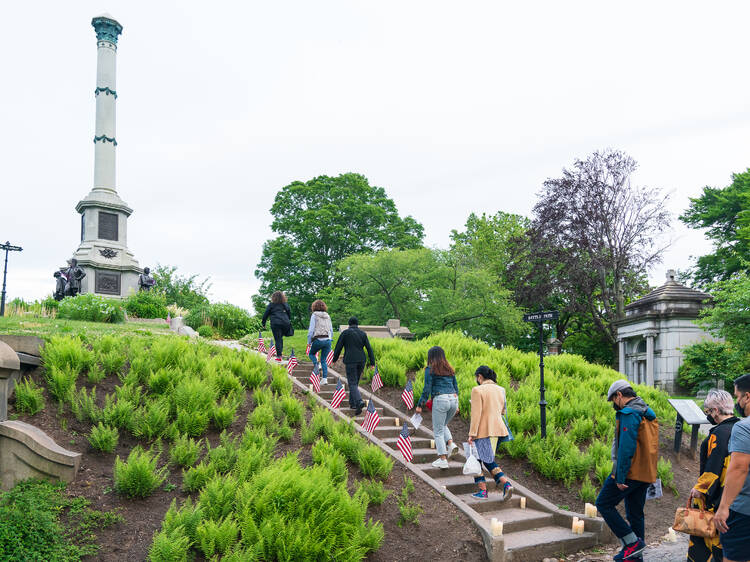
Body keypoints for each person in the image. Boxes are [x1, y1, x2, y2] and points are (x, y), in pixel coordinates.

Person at [595, 380, 658, 562]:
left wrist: (620, 475)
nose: (614, 405)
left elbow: (626, 447)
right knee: (635, 513)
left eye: (614, 401)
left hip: (630, 472)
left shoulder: (629, 413)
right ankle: (635, 557)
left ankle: (631, 544)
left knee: (604, 503)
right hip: (646, 471)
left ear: (619, 395)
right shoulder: (646, 411)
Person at [687, 389, 739, 562]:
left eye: (708, 411)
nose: (708, 415)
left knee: (705, 545)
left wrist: (700, 489)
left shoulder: (718, 434)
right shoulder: (740, 428)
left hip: (717, 500)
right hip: (737, 497)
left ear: (716, 411)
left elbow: (714, 467)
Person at [714, 374, 750, 562]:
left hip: (744, 511)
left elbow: (739, 468)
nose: (737, 402)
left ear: (747, 397)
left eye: (737, 396)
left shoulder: (744, 427)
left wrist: (724, 507)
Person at [467, 366, 513, 500]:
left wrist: (472, 434)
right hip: (499, 430)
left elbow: (476, 415)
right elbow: (503, 411)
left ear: (480, 376)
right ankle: (503, 485)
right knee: (487, 459)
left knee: (477, 458)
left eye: (477, 378)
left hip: (483, 430)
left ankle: (490, 489)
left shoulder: (477, 390)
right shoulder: (501, 390)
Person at [415, 346, 459, 469]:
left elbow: (427, 388)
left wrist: (419, 405)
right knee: (443, 425)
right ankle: (450, 444)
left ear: (431, 357)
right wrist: (458, 404)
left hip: (441, 399)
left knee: (438, 431)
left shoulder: (430, 369)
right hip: (453, 399)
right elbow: (456, 387)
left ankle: (443, 459)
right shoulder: (450, 369)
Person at [331, 317, 375, 415]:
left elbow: (338, 347)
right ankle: (353, 404)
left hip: (350, 360)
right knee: (355, 382)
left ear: (349, 324)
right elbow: (369, 348)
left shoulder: (345, 333)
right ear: (357, 324)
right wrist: (372, 363)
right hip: (361, 360)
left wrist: (334, 359)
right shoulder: (363, 334)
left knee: (352, 382)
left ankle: (359, 401)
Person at [307, 299, 333, 385]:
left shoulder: (314, 315)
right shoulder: (328, 316)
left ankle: (316, 364)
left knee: (311, 354)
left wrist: (309, 341)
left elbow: (311, 330)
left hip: (318, 339)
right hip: (327, 340)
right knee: (324, 360)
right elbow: (331, 330)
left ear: (314, 307)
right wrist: (330, 339)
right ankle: (324, 379)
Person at [261, 291, 292, 362]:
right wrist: (288, 320)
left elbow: (265, 314)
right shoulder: (285, 304)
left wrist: (263, 323)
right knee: (280, 339)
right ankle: (280, 353)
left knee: (278, 339)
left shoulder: (271, 305)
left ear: (273, 298)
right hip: (285, 323)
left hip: (276, 323)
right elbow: (289, 314)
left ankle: (279, 356)